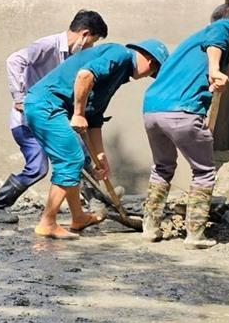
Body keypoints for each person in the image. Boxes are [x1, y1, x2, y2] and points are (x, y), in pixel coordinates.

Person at [20, 38, 167, 240]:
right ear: (151, 61)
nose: (147, 76)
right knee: (70, 160)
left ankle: (78, 217)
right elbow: (84, 75)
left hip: (50, 107)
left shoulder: (120, 74)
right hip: (47, 105)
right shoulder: (120, 54)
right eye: (152, 73)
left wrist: (99, 155)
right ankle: (48, 222)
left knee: (75, 160)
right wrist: (78, 113)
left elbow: (95, 116)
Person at [140, 3, 229, 249]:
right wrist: (214, 71)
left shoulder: (189, 45)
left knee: (162, 167)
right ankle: (195, 235)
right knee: (204, 171)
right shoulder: (227, 26)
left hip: (152, 110)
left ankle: (150, 228)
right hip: (182, 112)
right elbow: (222, 31)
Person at [0, 11, 109, 223]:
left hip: (53, 119)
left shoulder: (74, 57)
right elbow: (14, 60)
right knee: (38, 168)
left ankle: (96, 201)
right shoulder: (47, 46)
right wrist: (20, 97)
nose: (91, 48)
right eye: (92, 42)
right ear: (84, 34)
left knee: (79, 155)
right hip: (28, 122)